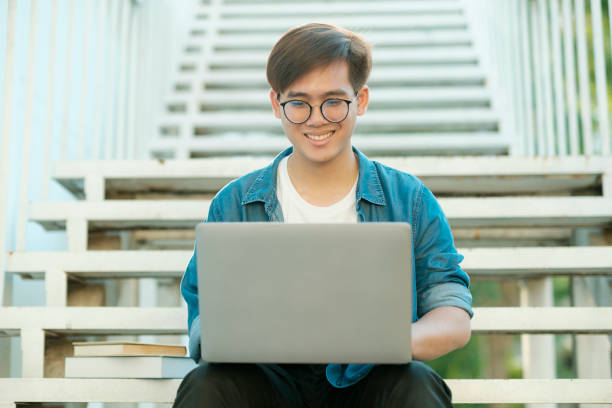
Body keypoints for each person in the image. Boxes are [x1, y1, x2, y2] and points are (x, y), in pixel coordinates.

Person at [174, 23, 472, 408]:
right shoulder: (234, 204)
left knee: (416, 384)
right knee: (206, 385)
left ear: (361, 100)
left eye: (334, 101)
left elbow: (452, 312)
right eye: (298, 103)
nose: (316, 119)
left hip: (369, 379)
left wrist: (387, 342)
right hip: (266, 382)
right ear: (275, 103)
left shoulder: (410, 200)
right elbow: (203, 316)